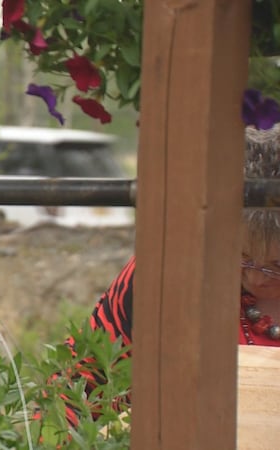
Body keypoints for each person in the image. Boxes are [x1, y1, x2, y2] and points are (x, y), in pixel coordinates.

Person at [63, 123, 280, 426]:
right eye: (241, 257)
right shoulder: (166, 271)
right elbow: (76, 390)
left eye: (275, 266)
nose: (256, 278)